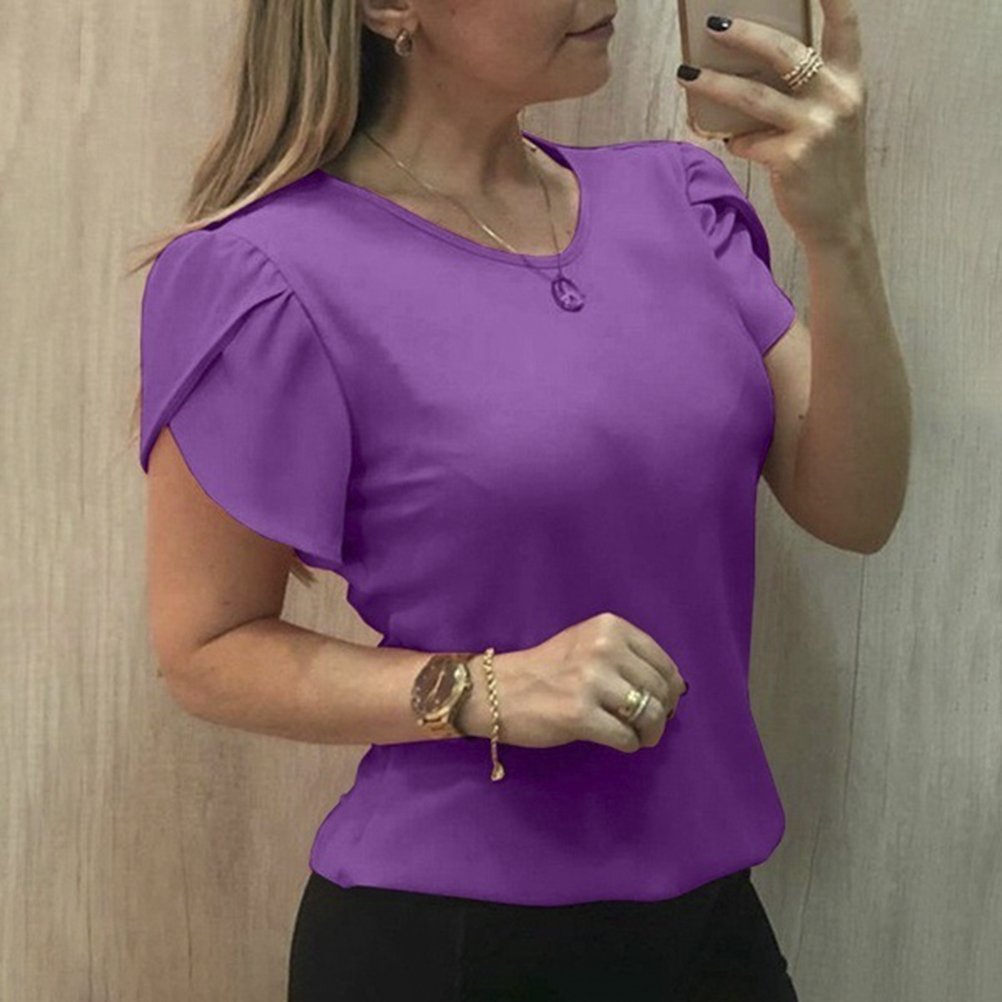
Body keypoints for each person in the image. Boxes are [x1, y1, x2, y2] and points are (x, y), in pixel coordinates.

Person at [136, 1, 895, 999]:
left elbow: (856, 508)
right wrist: (481, 689)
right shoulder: (265, 272)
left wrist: (839, 230)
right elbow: (207, 649)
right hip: (454, 943)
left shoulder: (677, 201)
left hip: (712, 921)